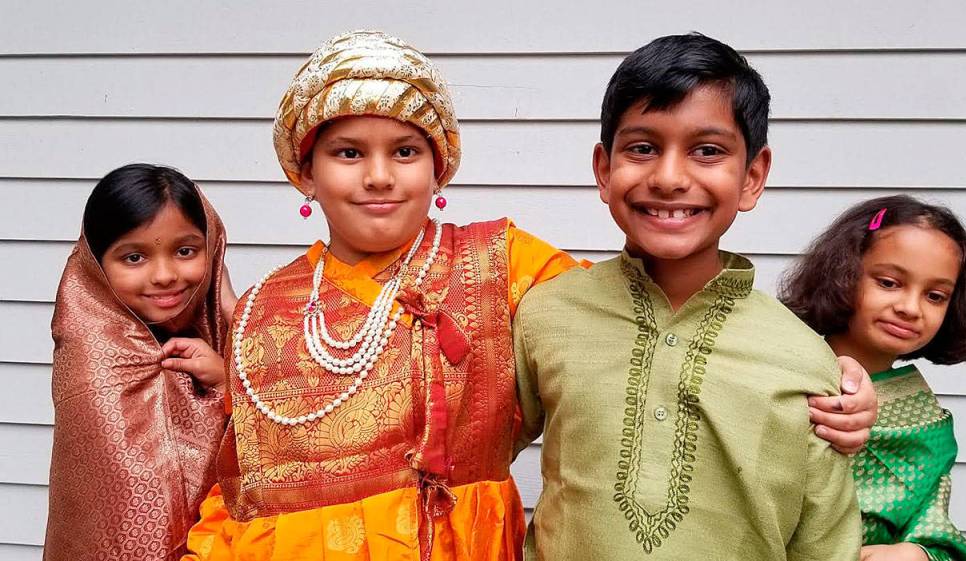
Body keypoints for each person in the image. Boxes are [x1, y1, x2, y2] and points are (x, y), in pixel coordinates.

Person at [184, 30, 874, 561]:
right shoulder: (266, 304)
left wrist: (841, 369)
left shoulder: (503, 266)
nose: (379, 176)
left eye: (405, 151)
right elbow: (244, 471)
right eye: (347, 153)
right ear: (305, 172)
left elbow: (643, 308)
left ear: (438, 166)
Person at [513, 33, 865, 560]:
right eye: (643, 148)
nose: (670, 178)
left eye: (707, 151)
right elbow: (458, 452)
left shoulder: (806, 361)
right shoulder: (546, 313)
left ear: (752, 176)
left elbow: (826, 546)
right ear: (604, 170)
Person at [780, 195, 966, 561]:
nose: (910, 308)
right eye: (888, 283)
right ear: (844, 274)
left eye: (935, 296)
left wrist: (916, 553)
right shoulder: (780, 369)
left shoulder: (925, 424)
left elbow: (934, 530)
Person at [46, 163, 234, 560]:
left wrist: (227, 373)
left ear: (212, 247)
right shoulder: (92, 359)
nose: (164, 275)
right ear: (95, 267)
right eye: (134, 257)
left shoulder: (231, 338)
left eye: (185, 251)